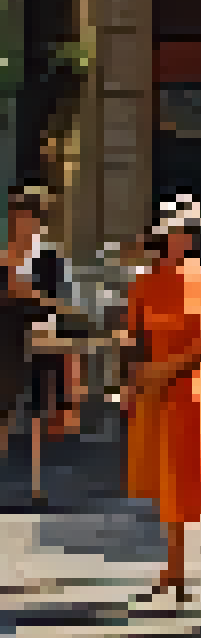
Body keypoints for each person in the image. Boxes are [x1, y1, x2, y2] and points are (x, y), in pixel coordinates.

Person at [122, 198, 201, 606]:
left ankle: (178, 566)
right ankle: (173, 565)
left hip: (188, 386)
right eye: (178, 230)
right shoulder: (144, 281)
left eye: (189, 230)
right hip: (152, 387)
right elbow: (133, 338)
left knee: (186, 475)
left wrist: (162, 369)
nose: (184, 237)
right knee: (162, 476)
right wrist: (132, 383)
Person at [2, 185, 79, 504]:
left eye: (30, 219)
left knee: (37, 412)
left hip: (43, 341)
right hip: (7, 341)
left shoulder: (52, 261)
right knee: (4, 411)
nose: (24, 225)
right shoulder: (4, 257)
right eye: (18, 219)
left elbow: (63, 305)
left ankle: (35, 483)